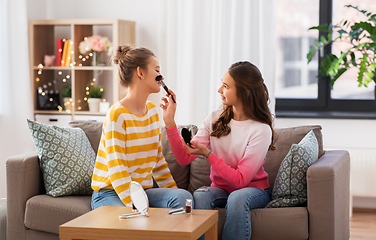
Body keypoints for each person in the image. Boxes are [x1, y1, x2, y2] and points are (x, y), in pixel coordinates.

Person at [160, 61, 276, 240]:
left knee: (237, 198)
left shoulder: (260, 130)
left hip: (253, 190)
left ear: (244, 92)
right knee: (200, 195)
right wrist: (170, 122)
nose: (219, 89)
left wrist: (208, 154)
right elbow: (184, 158)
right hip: (220, 189)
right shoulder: (215, 118)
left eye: (226, 86)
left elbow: (239, 182)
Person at [91, 45, 192, 210]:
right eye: (157, 70)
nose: (161, 75)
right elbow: (117, 169)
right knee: (130, 223)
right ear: (141, 72)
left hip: (141, 191)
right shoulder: (117, 114)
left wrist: (175, 198)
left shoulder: (153, 111)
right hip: (110, 192)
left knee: (182, 197)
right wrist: (137, 207)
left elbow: (158, 161)